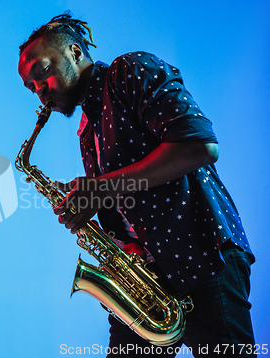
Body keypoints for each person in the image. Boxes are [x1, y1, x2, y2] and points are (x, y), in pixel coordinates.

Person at [18, 12, 256, 357]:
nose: (40, 91)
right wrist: (117, 236)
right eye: (31, 87)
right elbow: (130, 198)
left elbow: (199, 146)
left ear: (73, 52)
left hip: (203, 257)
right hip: (149, 280)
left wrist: (102, 188)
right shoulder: (88, 127)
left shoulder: (128, 70)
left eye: (42, 72)